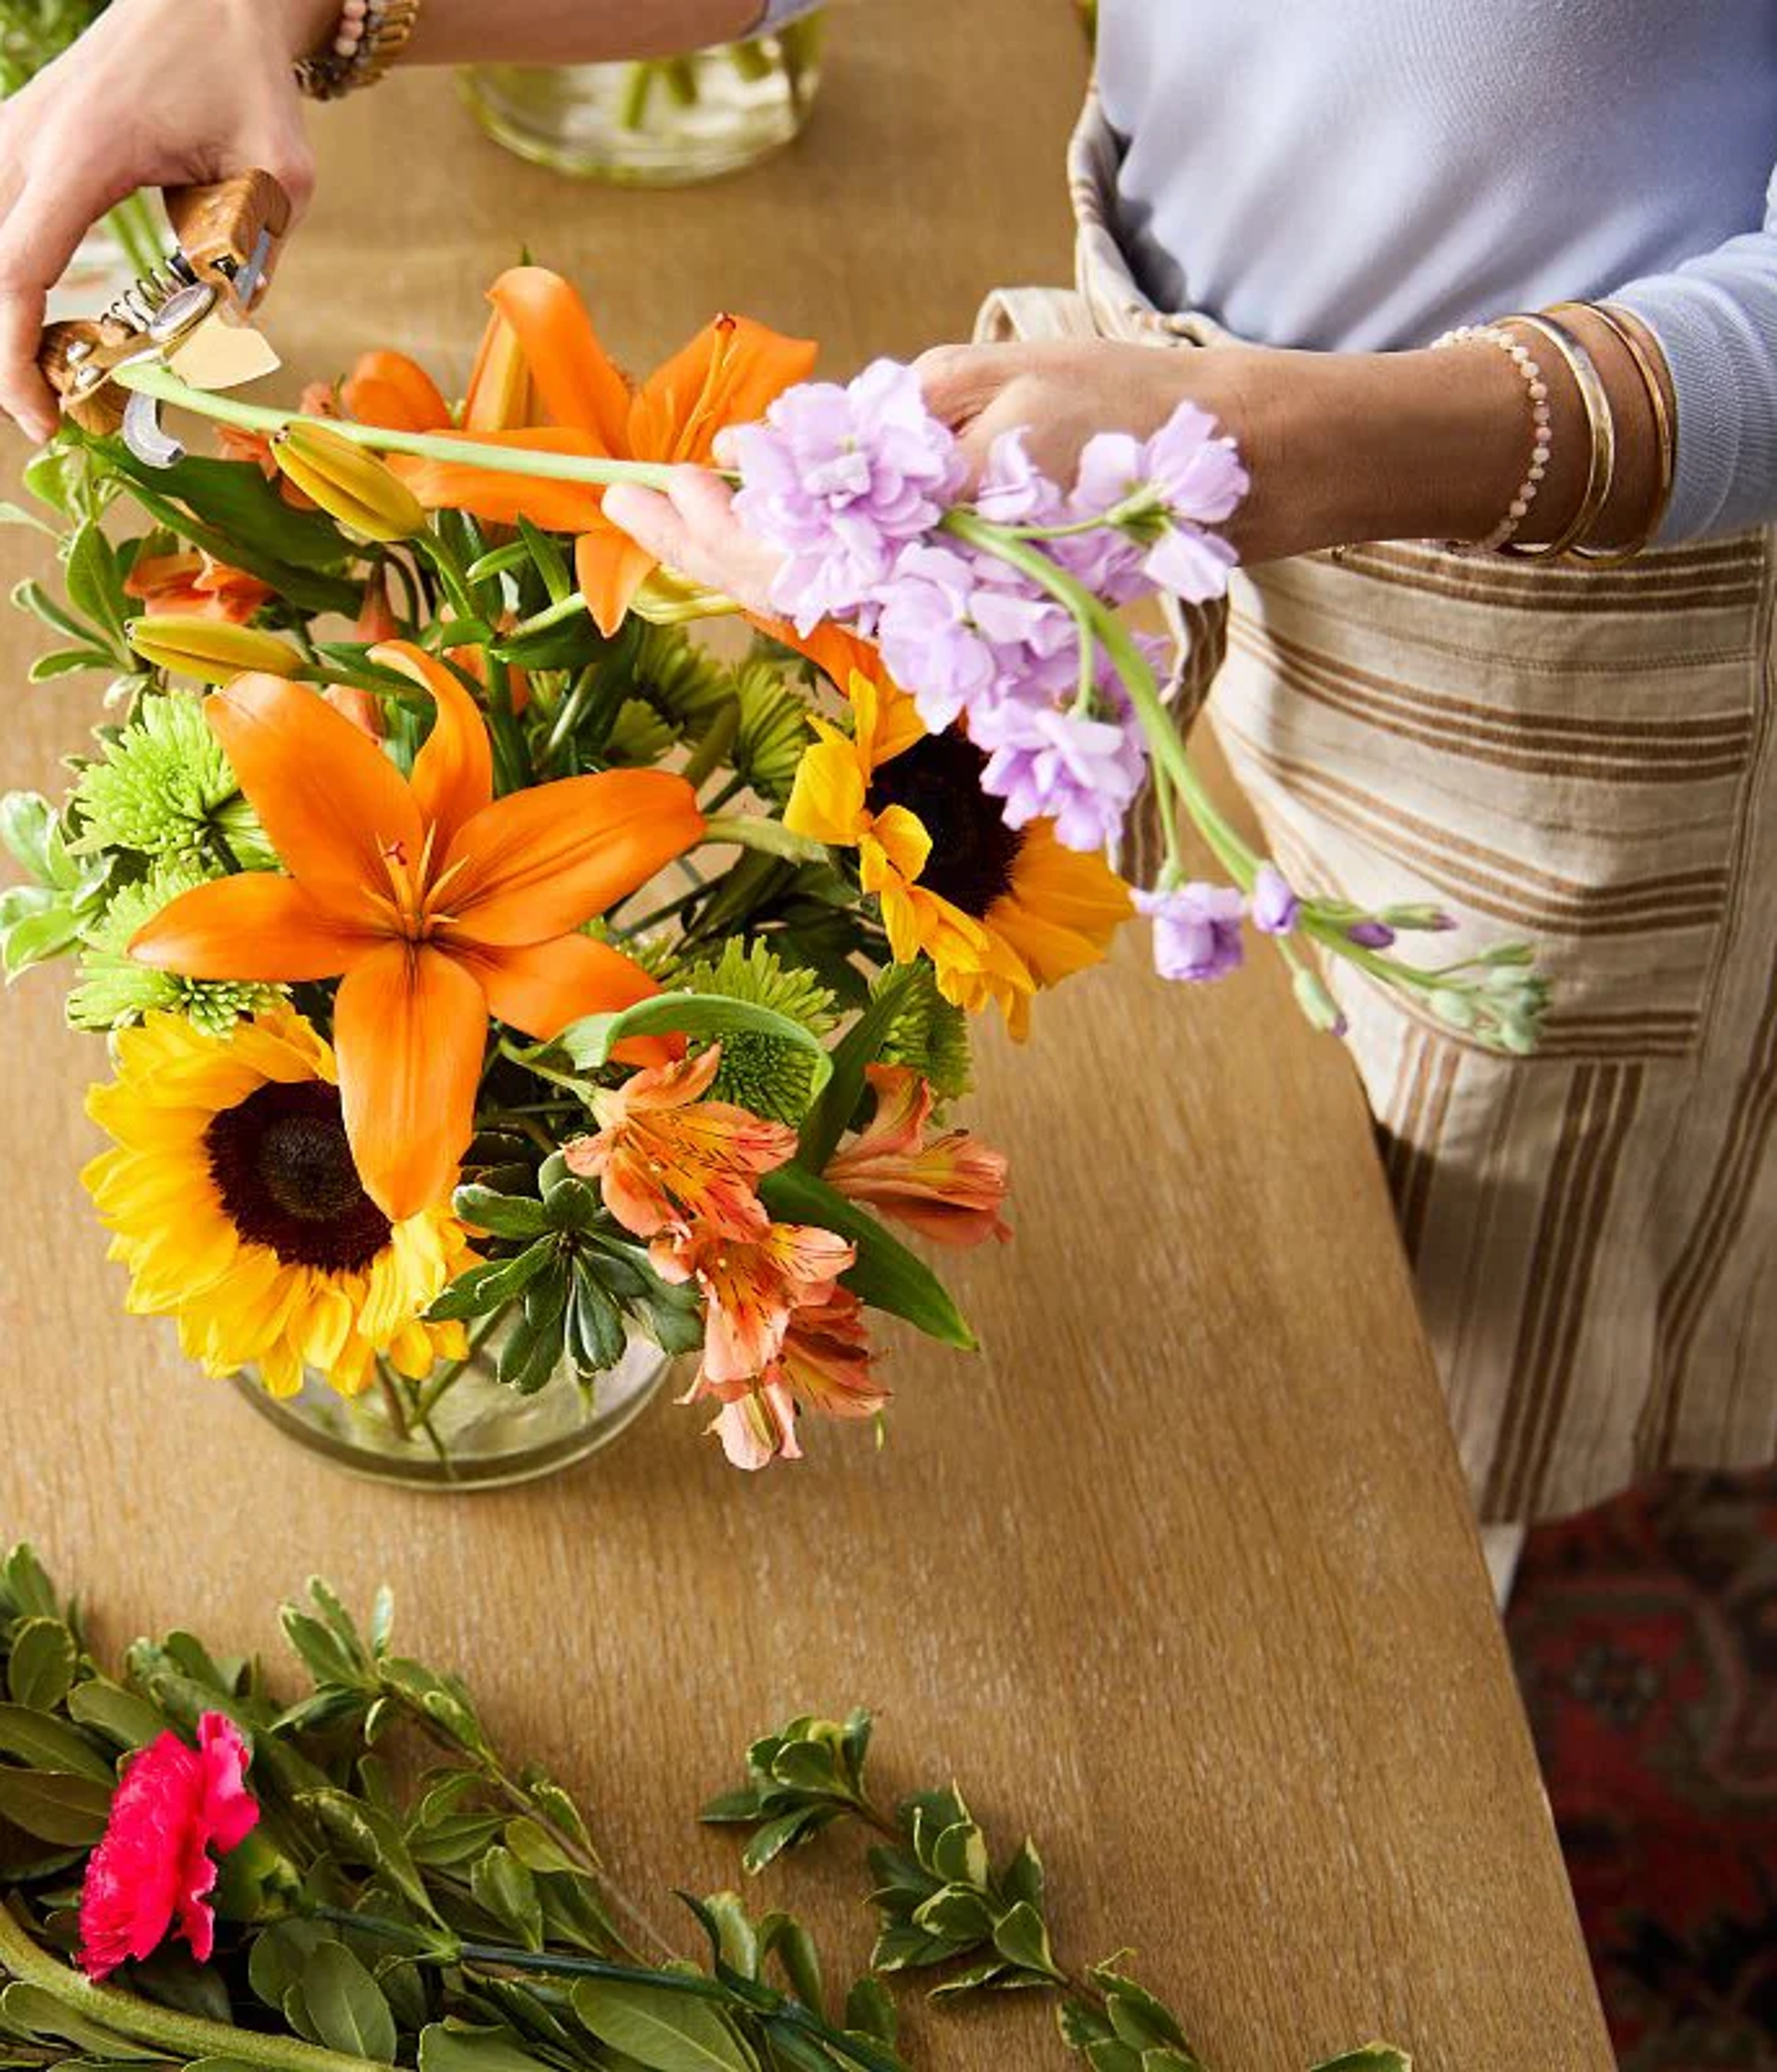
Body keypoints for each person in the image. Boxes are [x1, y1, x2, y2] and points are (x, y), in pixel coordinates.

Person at [3, 0, 1774, 1539]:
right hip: (1097, 454)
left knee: (1409, 1383)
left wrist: (1251, 442)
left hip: (1546, 582)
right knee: (1204, 1209)